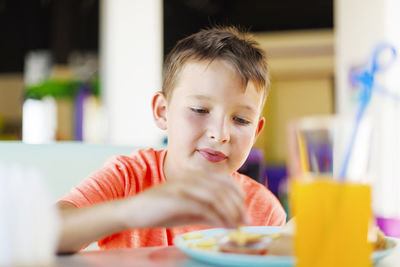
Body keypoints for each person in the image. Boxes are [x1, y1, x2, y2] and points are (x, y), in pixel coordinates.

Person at [57, 26, 287, 254]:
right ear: (162, 112)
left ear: (256, 131)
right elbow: (44, 232)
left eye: (241, 120)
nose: (220, 134)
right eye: (199, 110)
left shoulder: (264, 211)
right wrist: (129, 212)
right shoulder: (127, 177)